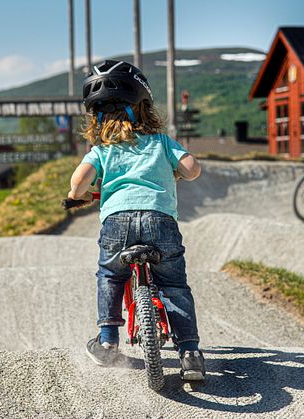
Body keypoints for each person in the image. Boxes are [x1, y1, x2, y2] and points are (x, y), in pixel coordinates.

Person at [67, 60, 205, 381]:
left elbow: (78, 183)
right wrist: (175, 171)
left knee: (111, 276)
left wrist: (78, 195)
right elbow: (193, 168)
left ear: (97, 118)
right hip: (160, 221)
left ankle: (108, 342)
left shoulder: (102, 150)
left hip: (117, 223)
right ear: (144, 108)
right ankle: (190, 353)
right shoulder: (161, 142)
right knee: (173, 285)